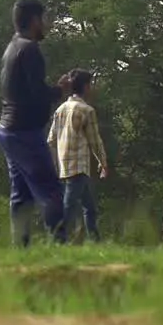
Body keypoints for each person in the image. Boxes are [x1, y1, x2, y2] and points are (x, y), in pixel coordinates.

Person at [0, 0, 71, 246]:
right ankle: (60, 246)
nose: (47, 25)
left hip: (8, 131)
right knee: (50, 191)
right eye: (44, 19)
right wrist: (60, 90)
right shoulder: (29, 49)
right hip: (24, 132)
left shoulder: (12, 47)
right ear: (34, 20)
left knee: (21, 196)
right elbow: (37, 94)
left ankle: (21, 250)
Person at [47, 69, 108, 243]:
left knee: (89, 207)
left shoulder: (60, 110)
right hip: (79, 166)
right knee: (69, 206)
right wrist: (103, 162)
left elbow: (51, 139)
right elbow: (94, 141)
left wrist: (55, 162)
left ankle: (95, 241)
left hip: (64, 165)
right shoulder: (86, 110)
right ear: (86, 87)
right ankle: (58, 239)